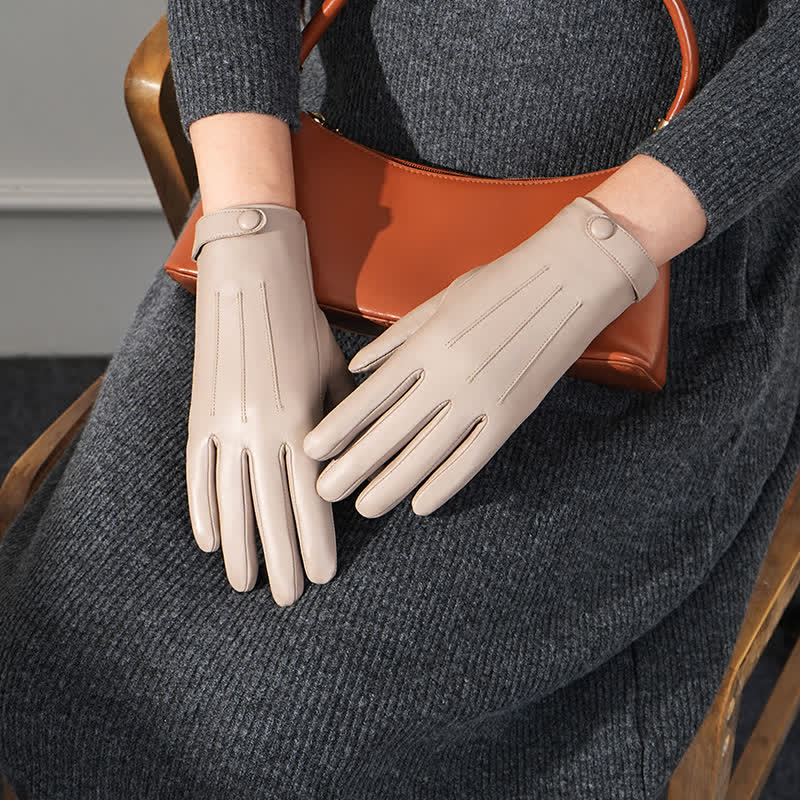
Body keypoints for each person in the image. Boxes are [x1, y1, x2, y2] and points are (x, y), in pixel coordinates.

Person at [1, 0, 799, 797]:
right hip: (308, 205)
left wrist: (605, 251)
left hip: (667, 228)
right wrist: (248, 231)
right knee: (57, 658)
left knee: (282, 734)